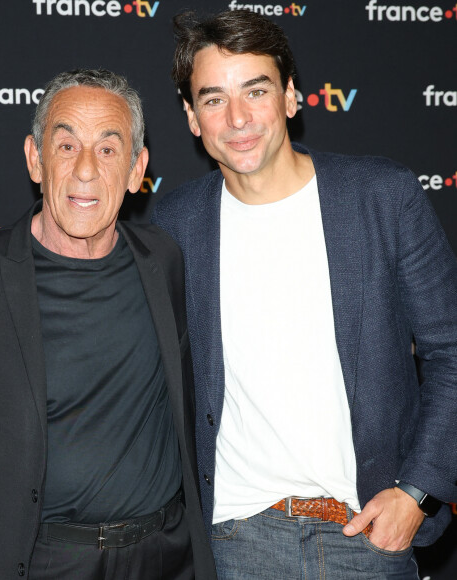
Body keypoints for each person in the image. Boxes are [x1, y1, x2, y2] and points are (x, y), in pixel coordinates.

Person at [152, 10, 457, 579]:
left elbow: (451, 351)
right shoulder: (173, 228)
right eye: (214, 99)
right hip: (235, 542)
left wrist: (416, 494)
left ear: (292, 97)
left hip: (367, 533)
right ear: (193, 119)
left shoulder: (381, 199)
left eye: (256, 91)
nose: (238, 118)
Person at [0, 69, 217, 580]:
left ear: (138, 170)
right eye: (66, 145)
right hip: (38, 564)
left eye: (109, 151)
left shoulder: (166, 260)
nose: (86, 170)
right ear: (35, 159)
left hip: (163, 558)